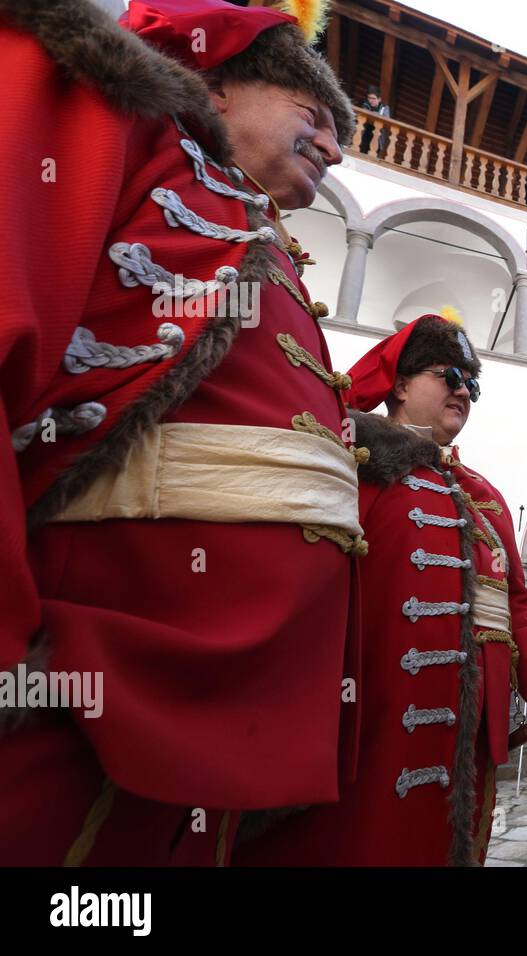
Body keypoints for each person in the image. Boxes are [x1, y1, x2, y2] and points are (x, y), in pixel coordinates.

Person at [0, 0, 359, 866]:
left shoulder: (255, 242)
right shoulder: (103, 115)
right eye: (314, 116)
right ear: (224, 86)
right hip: (77, 702)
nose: (338, 150)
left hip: (225, 728)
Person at [238, 313, 527, 864]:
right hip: (368, 732)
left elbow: (516, 607)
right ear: (400, 385)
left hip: (464, 751)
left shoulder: (486, 497)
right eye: (448, 375)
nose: (463, 391)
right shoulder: (354, 468)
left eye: (471, 384)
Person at [357, 84, 391, 156]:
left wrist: (374, 114)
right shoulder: (365, 105)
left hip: (377, 139)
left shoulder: (384, 108)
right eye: (369, 98)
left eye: (373, 98)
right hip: (364, 136)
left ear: (379, 99)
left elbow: (386, 119)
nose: (371, 100)